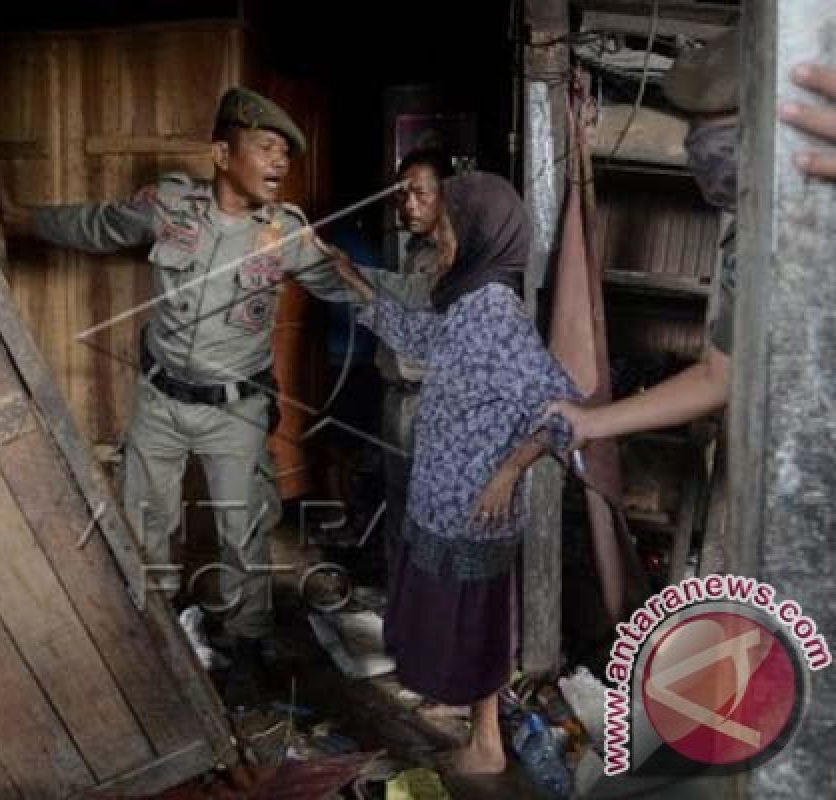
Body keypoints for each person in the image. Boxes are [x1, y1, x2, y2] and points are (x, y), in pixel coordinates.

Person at [0, 87, 355, 699]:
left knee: (242, 529)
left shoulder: (285, 232)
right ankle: (157, 640)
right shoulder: (169, 209)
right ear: (222, 152)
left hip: (236, 410)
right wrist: (24, 219)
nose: (278, 163)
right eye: (265, 148)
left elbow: (350, 285)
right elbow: (99, 224)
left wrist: (434, 303)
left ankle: (246, 644)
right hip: (161, 403)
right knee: (146, 524)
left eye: (285, 156)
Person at [325, 173, 580, 775]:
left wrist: (508, 473)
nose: (438, 242)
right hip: (442, 500)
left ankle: (487, 745)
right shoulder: (468, 303)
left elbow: (564, 412)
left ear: (477, 235)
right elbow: (422, 337)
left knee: (477, 626)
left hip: (472, 506)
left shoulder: (495, 312)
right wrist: (355, 283)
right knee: (452, 621)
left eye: (445, 231)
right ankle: (468, 716)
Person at [550, 36, 836, 444]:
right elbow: (718, 377)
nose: (701, 152)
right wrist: (589, 424)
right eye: (698, 133)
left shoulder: (820, 203)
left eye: (724, 134)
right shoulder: (753, 237)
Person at [372, 149, 532, 570]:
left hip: (432, 403)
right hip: (398, 398)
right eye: (402, 194)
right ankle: (401, 599)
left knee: (436, 518)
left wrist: (349, 276)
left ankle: (428, 602)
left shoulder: (469, 267)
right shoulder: (415, 252)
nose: (409, 204)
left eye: (421, 194)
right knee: (399, 501)